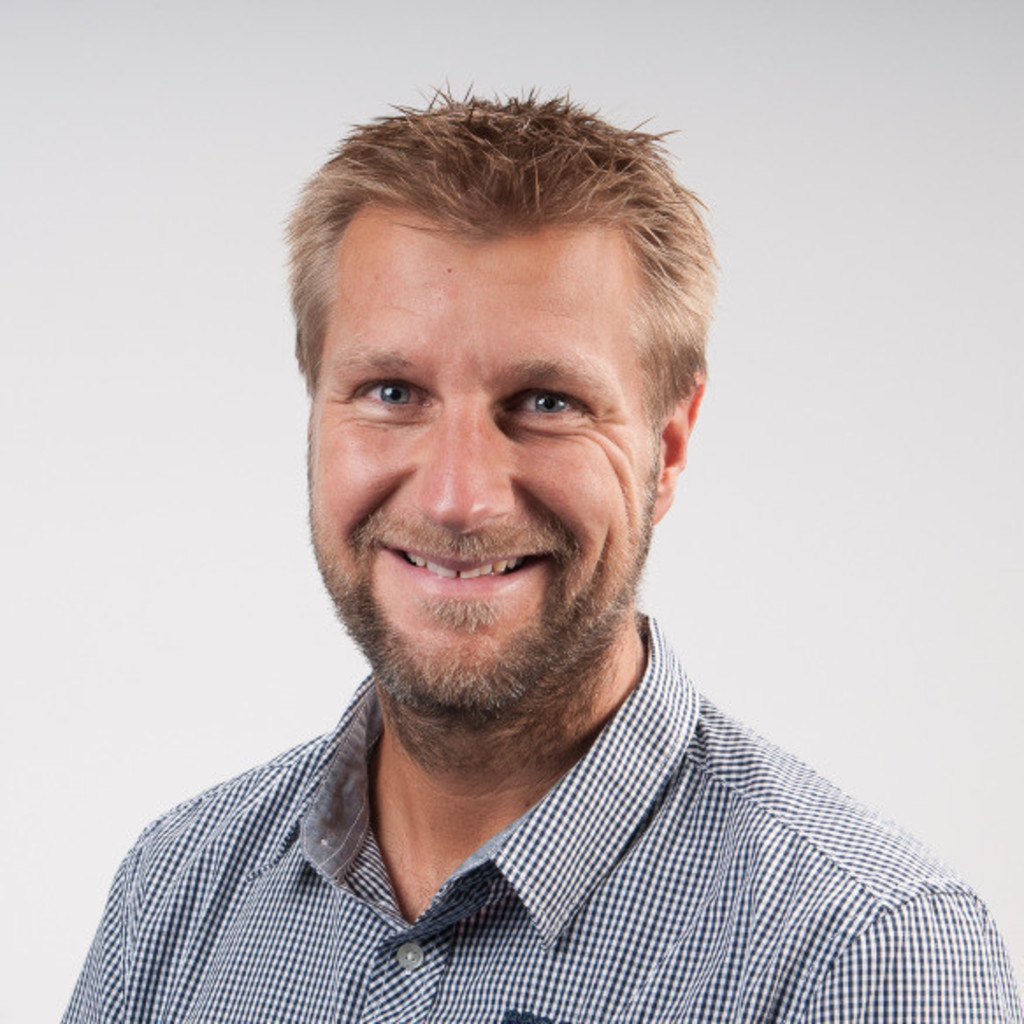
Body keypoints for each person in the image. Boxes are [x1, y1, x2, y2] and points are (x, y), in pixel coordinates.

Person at [63, 94, 1021, 1023]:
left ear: (668, 447)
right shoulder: (176, 892)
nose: (458, 497)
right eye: (392, 391)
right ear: (315, 417)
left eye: (548, 403)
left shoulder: (865, 954)